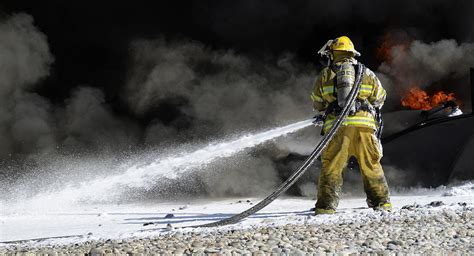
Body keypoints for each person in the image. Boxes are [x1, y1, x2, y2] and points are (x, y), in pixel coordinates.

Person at [310, 36, 392, 214]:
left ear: (332, 53)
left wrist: (329, 106)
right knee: (371, 165)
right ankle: (382, 204)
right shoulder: (367, 73)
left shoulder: (326, 74)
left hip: (337, 130)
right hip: (365, 128)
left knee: (331, 168)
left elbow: (317, 103)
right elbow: (380, 98)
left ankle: (325, 208)